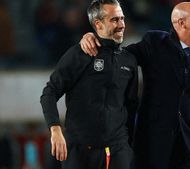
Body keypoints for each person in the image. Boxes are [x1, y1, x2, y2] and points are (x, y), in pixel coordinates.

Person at [80, 2, 190, 169]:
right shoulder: (155, 43)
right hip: (153, 147)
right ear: (181, 22)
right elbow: (120, 55)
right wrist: (95, 40)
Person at [40, 0, 138, 169]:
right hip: (79, 150)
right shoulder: (79, 54)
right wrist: (55, 129)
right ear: (98, 24)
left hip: (117, 149)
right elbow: (49, 93)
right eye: (114, 20)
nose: (121, 24)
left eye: (122, 18)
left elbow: (130, 105)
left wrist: (130, 145)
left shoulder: (129, 60)